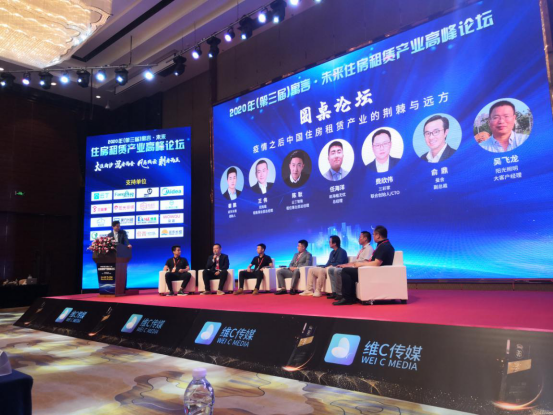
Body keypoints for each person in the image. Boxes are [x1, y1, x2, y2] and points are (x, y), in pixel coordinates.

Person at [334, 226, 395, 306]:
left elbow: (376, 263)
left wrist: (361, 264)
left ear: (378, 235)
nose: (373, 236)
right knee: (349, 270)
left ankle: (347, 298)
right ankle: (350, 297)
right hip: (374, 271)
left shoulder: (384, 246)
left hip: (376, 273)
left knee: (346, 271)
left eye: (373, 234)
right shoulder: (384, 245)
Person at [327, 231, 373, 300]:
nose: (359, 239)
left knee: (337, 270)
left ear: (365, 238)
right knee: (331, 269)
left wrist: (348, 266)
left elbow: (364, 262)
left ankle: (340, 293)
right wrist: (345, 264)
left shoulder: (369, 249)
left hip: (359, 269)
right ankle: (335, 292)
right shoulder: (362, 249)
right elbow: (356, 261)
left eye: (360, 237)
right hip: (355, 267)